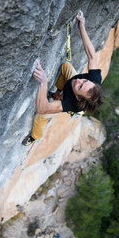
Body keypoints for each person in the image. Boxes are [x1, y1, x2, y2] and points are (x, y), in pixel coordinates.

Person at [22, 10, 103, 146]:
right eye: (84, 80)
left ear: (78, 97)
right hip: (69, 89)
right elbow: (91, 55)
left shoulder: (72, 103)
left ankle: (34, 137)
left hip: (70, 101)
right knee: (66, 66)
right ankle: (58, 92)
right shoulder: (93, 80)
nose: (79, 80)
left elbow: (42, 108)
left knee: (41, 118)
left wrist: (43, 83)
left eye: (80, 86)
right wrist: (82, 27)